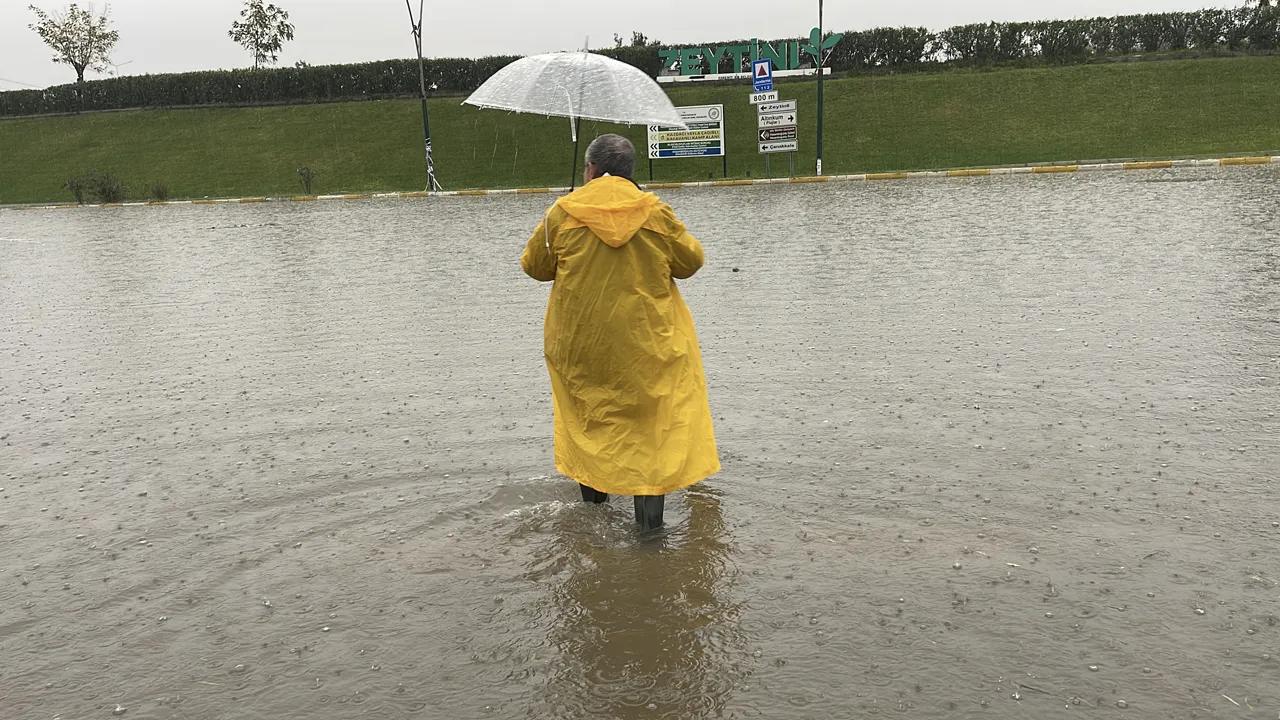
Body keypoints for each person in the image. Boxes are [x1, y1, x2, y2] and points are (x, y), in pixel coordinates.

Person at [521, 134, 720, 531]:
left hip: (583, 347)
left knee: (589, 422)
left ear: (590, 169)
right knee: (652, 433)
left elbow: (535, 267)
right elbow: (691, 261)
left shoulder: (561, 213)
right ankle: (650, 533)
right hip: (650, 346)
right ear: (631, 173)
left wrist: (561, 219)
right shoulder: (656, 212)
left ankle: (594, 518)